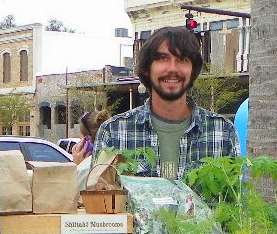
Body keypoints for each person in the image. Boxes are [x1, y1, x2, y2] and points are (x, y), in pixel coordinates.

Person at [94, 26, 239, 181]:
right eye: (163, 58)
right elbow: (98, 200)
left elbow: (235, 201)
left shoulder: (222, 131)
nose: (172, 68)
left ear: (193, 70)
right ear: (147, 69)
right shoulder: (113, 132)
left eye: (182, 59)